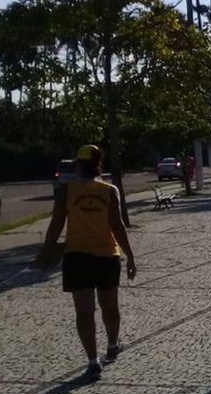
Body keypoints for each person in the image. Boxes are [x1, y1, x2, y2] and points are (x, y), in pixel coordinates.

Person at [37, 145, 137, 379]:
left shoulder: (66, 191)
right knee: (110, 306)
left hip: (77, 257)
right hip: (107, 256)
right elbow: (117, 226)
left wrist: (47, 249)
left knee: (84, 311)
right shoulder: (110, 191)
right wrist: (130, 256)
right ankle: (112, 346)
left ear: (79, 166)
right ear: (99, 165)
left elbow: (56, 223)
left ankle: (93, 361)